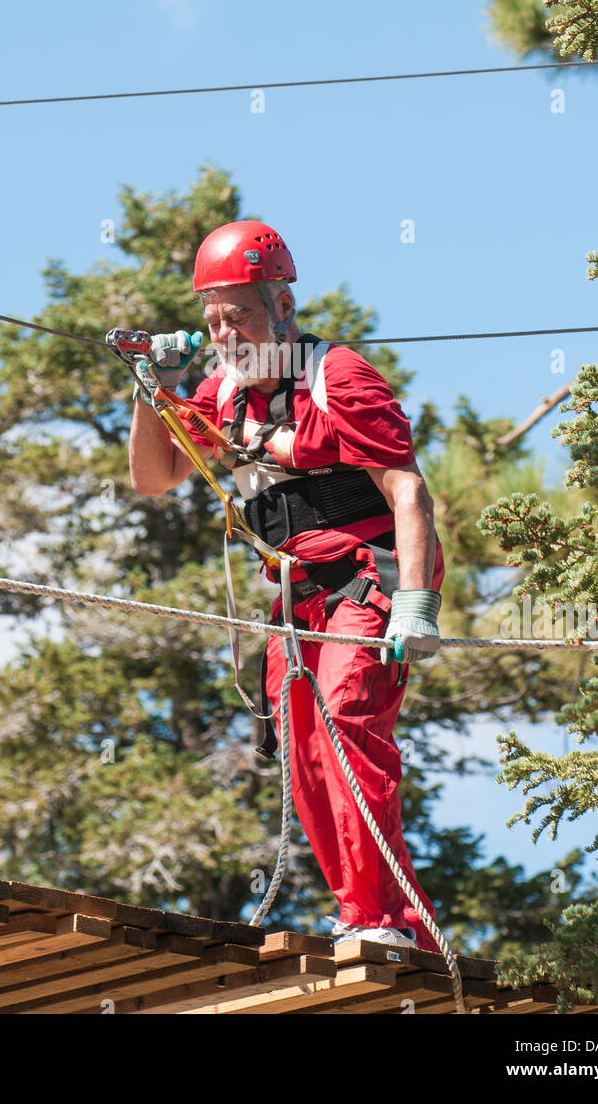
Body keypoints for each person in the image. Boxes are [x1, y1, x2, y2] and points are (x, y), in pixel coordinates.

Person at [128, 220, 445, 952]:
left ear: (281, 304)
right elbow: (154, 480)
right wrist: (158, 391)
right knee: (302, 754)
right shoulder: (222, 394)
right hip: (297, 598)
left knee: (344, 725)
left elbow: (406, 493)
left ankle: (381, 922)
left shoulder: (337, 379)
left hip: (368, 577)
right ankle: (381, 921)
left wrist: (415, 605)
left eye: (237, 313)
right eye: (212, 320)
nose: (224, 332)